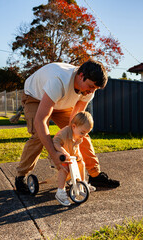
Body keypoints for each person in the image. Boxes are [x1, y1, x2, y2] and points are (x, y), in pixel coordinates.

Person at [15, 59, 120, 194]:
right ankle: (21, 176)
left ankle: (95, 175)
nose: (92, 91)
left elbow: (75, 122)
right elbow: (40, 120)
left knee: (80, 131)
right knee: (38, 136)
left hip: (61, 103)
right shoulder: (58, 80)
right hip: (36, 97)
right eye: (91, 86)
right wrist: (54, 154)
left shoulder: (88, 89)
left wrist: (72, 144)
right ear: (81, 76)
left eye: (95, 88)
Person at [53, 111, 95, 206]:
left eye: (86, 133)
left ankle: (81, 184)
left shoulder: (78, 135)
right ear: (74, 126)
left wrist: (78, 159)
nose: (84, 136)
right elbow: (55, 142)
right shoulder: (64, 133)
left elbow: (75, 149)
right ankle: (60, 191)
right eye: (82, 132)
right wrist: (63, 152)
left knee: (82, 164)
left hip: (71, 156)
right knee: (65, 168)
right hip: (59, 156)